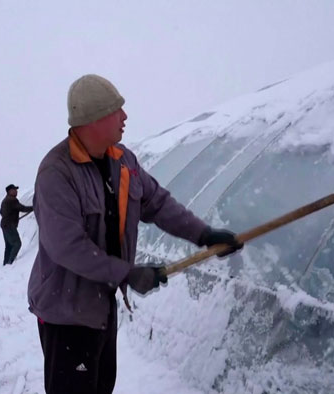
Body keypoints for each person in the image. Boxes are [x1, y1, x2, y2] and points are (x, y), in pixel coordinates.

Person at [27, 74, 243, 393]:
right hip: (67, 313)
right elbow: (66, 247)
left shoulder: (123, 160)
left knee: (101, 386)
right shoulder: (56, 173)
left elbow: (158, 203)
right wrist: (126, 273)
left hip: (101, 306)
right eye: (118, 110)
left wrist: (205, 235)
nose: (125, 117)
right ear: (95, 119)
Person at [0, 184, 33, 265]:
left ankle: (6, 263)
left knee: (9, 245)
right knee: (17, 243)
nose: (16, 191)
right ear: (9, 191)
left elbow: (1, 212)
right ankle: (11, 262)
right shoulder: (12, 200)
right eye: (14, 189)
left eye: (16, 190)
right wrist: (34, 207)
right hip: (9, 225)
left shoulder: (5, 200)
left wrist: (9, 215)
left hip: (4, 224)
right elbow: (22, 208)